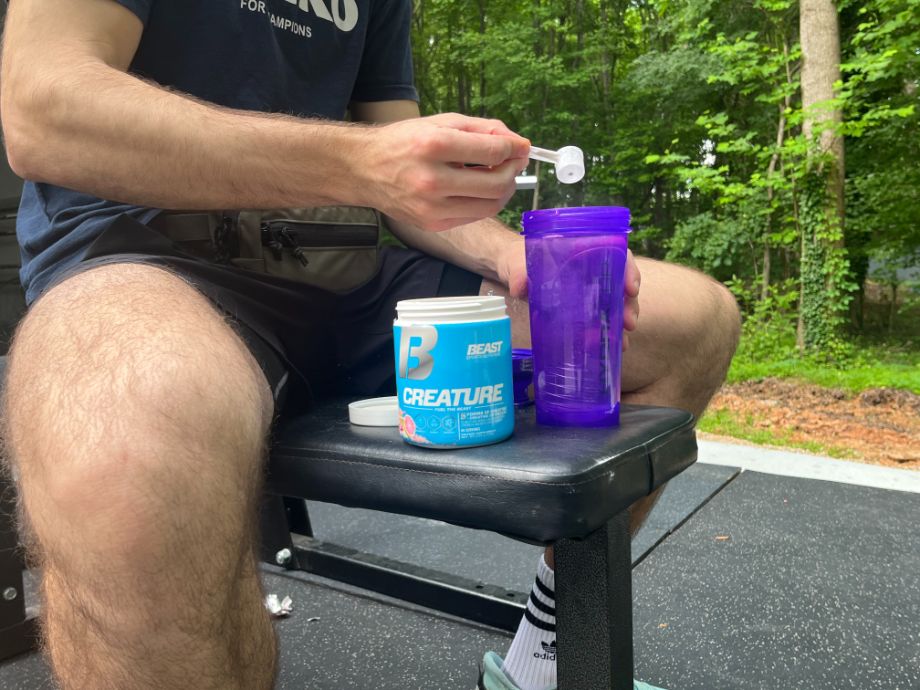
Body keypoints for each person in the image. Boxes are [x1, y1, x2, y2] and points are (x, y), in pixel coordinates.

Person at [0, 0, 740, 688]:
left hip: (351, 282)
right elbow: (42, 111)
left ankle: (540, 655)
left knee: (689, 318)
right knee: (126, 453)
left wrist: (504, 253)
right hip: (145, 261)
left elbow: (408, 184)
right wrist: (361, 164)